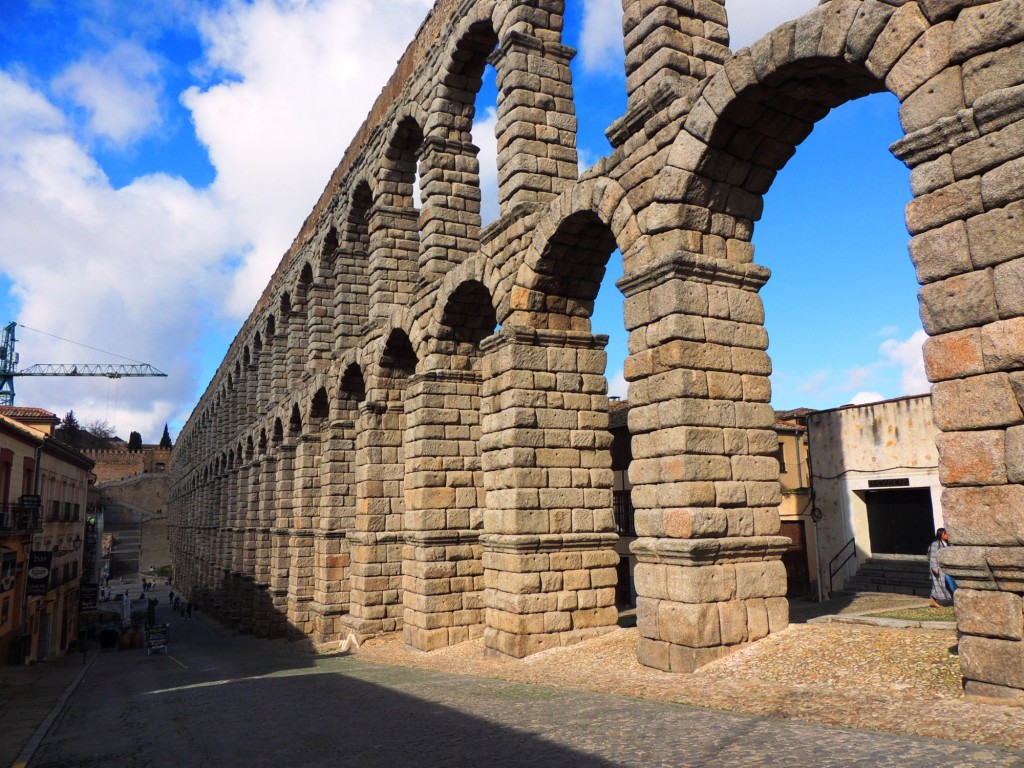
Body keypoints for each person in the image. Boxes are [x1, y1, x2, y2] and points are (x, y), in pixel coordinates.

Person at [928, 527, 955, 607]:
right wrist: (934, 567)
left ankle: (933, 601)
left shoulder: (946, 543)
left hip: (945, 567)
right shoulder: (935, 544)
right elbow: (933, 556)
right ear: (941, 534)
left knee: (937, 584)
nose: (947, 535)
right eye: (945, 534)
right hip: (938, 567)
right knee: (940, 583)